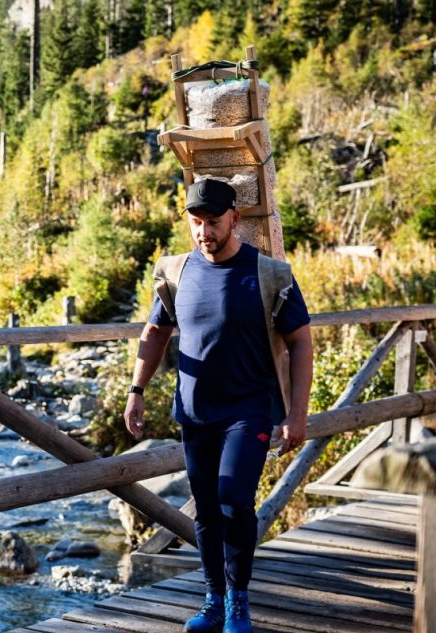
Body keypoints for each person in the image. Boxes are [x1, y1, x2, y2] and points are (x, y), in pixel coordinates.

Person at [124, 179, 313, 633]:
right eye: (196, 223)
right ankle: (213, 599)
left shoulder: (270, 275)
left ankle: (239, 602)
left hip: (249, 409)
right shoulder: (176, 273)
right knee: (207, 508)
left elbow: (301, 341)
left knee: (232, 497)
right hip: (195, 411)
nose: (204, 232)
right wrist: (136, 390)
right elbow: (155, 334)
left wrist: (298, 414)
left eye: (213, 222)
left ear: (235, 219)